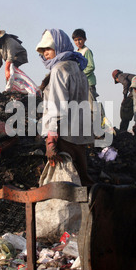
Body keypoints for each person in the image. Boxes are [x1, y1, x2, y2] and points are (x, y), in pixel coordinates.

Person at [36, 28, 95, 187]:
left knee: (64, 186)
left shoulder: (58, 69)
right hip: (79, 136)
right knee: (82, 180)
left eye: (48, 48)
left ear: (60, 45)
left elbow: (57, 106)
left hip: (63, 136)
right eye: (43, 50)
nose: (45, 53)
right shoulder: (78, 70)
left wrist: (51, 141)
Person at [72, 29, 98, 101]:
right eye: (75, 40)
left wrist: (80, 75)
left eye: (80, 39)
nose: (78, 42)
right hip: (80, 84)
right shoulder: (76, 52)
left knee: (91, 107)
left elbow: (91, 66)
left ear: (85, 39)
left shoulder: (87, 51)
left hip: (88, 83)